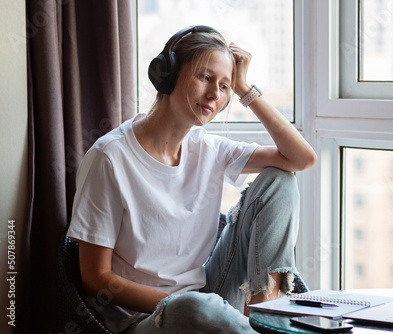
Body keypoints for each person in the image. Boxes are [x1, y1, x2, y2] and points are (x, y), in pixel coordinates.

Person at [67, 25, 317, 333]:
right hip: (149, 319)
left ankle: (261, 320)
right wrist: (174, 303)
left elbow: (301, 158)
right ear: (167, 74)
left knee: (281, 181)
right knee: (193, 306)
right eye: (205, 77)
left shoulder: (208, 148)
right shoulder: (110, 158)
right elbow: (95, 278)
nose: (215, 93)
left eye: (225, 86)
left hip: (209, 302)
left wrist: (245, 88)